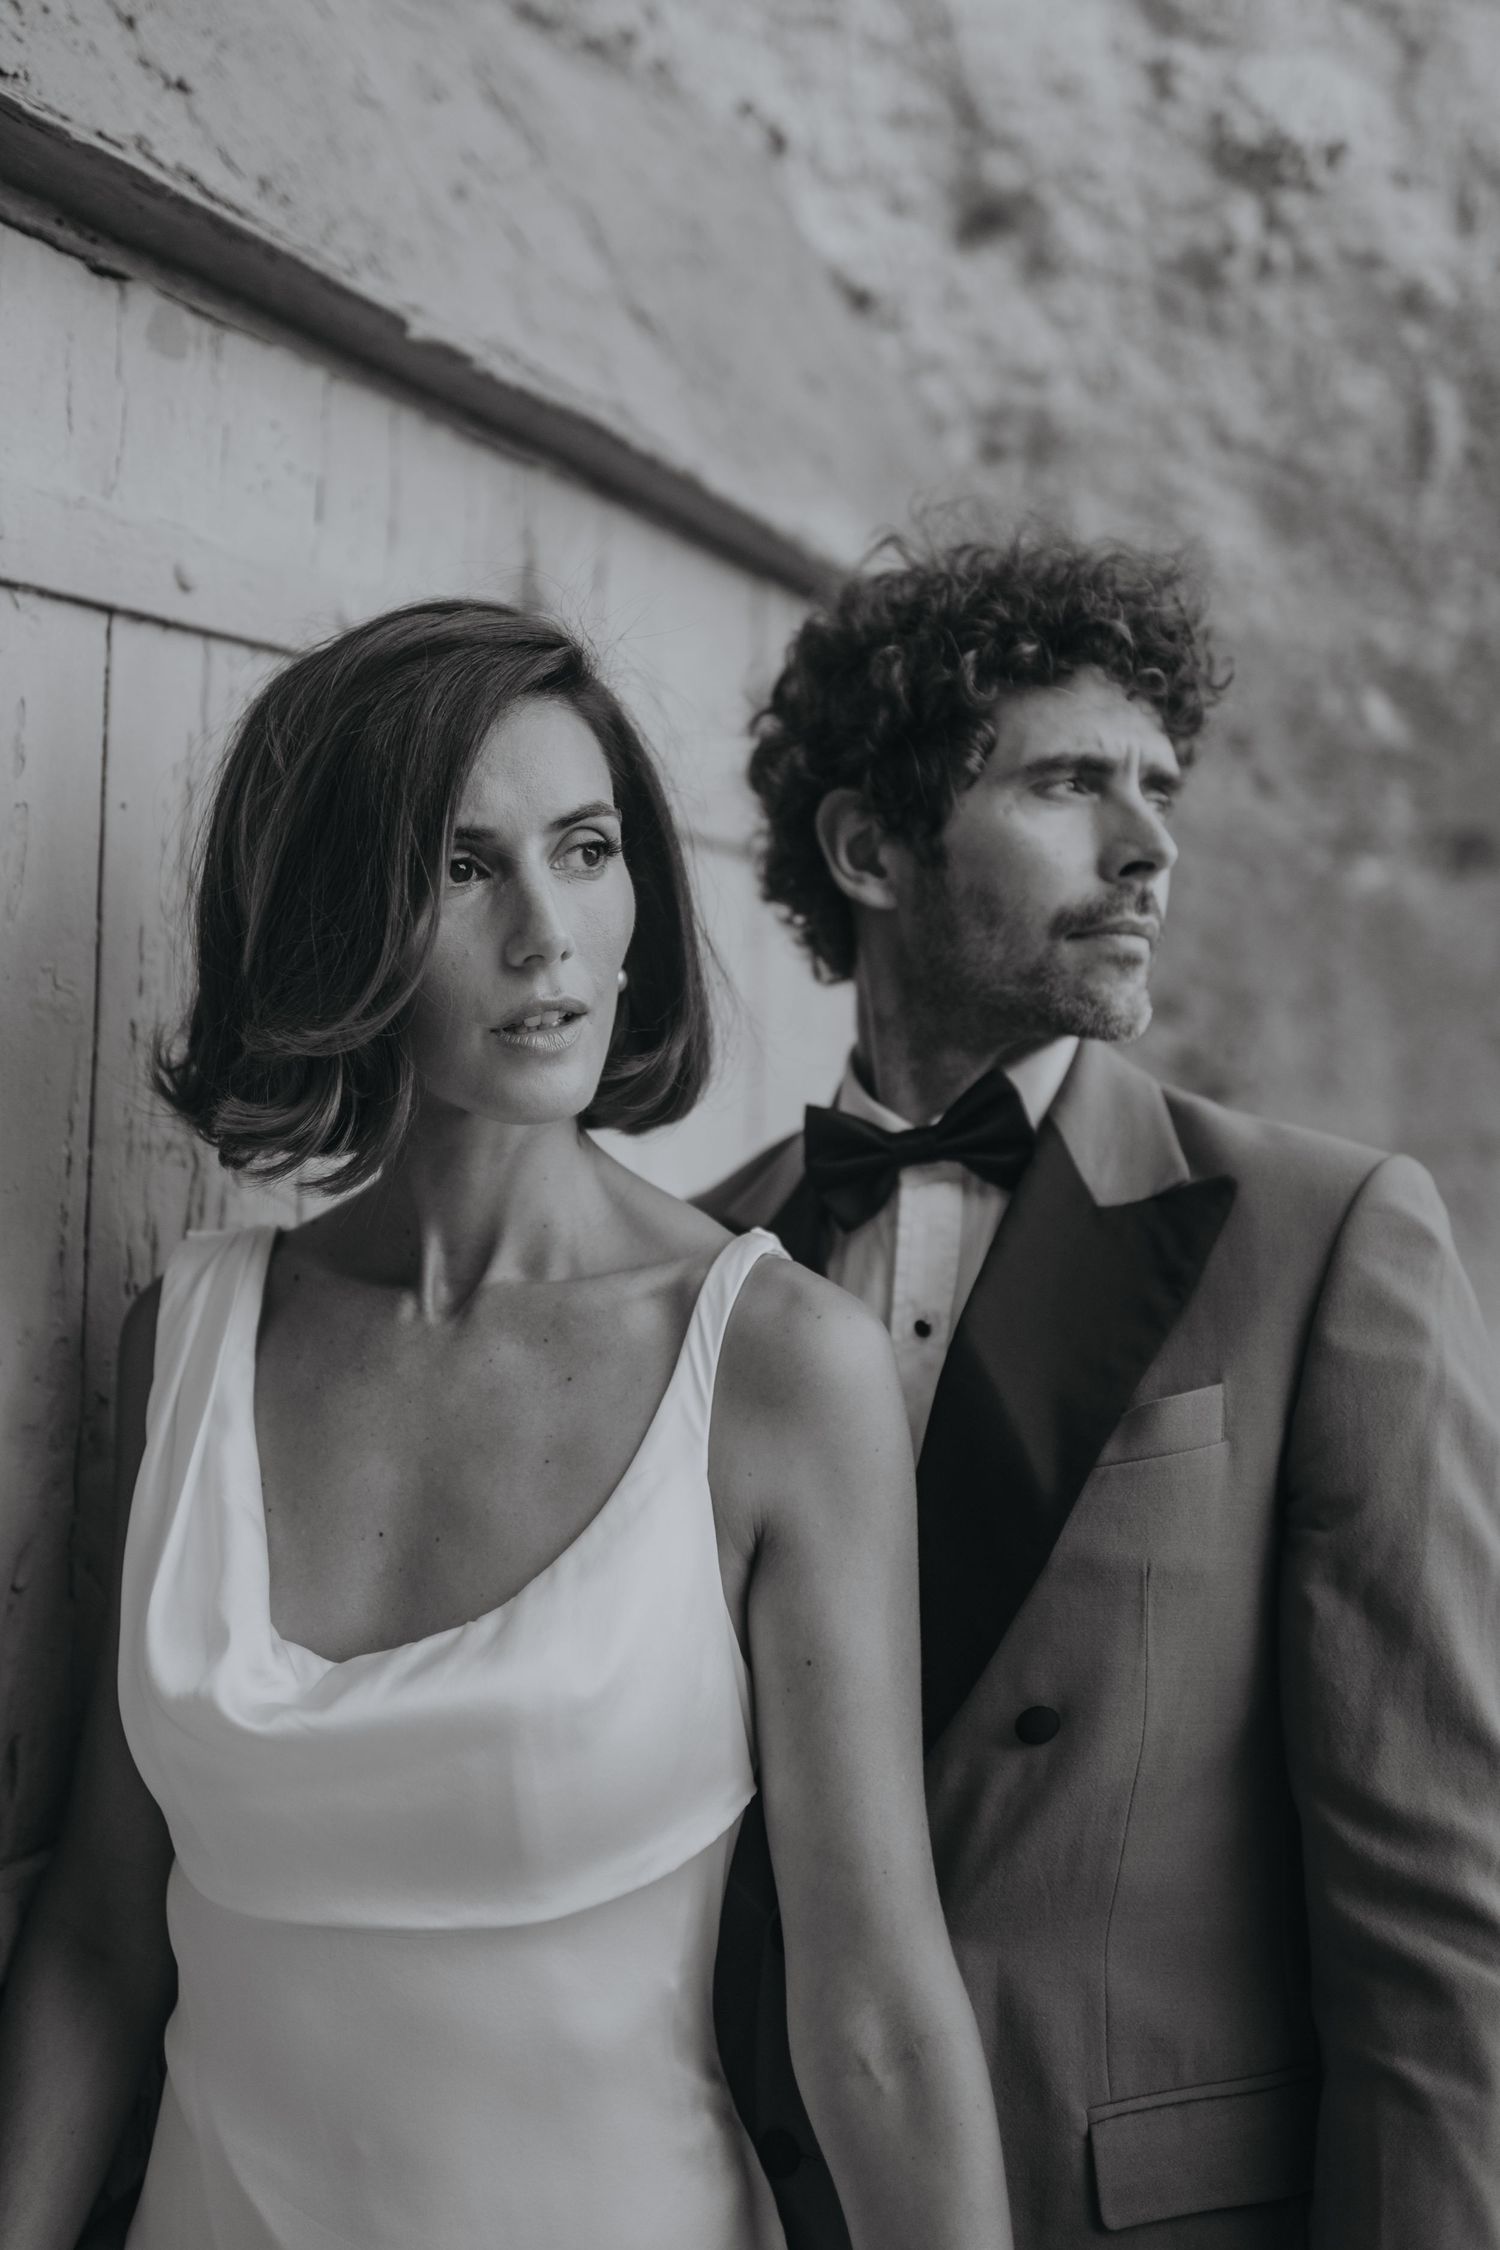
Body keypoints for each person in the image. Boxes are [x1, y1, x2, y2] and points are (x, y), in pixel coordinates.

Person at [0, 600, 1013, 2250]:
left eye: (587, 846)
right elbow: (106, 1935)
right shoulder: (183, 1336)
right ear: (340, 916)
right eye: (465, 867)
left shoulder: (770, 1365)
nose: (547, 932)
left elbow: (876, 2015)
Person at [704, 534, 1500, 2250]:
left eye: (1159, 786)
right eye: (1070, 784)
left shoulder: (1325, 1235)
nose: (1150, 848)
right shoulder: (702, 1262)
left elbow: (1443, 1915)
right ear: (869, 850)